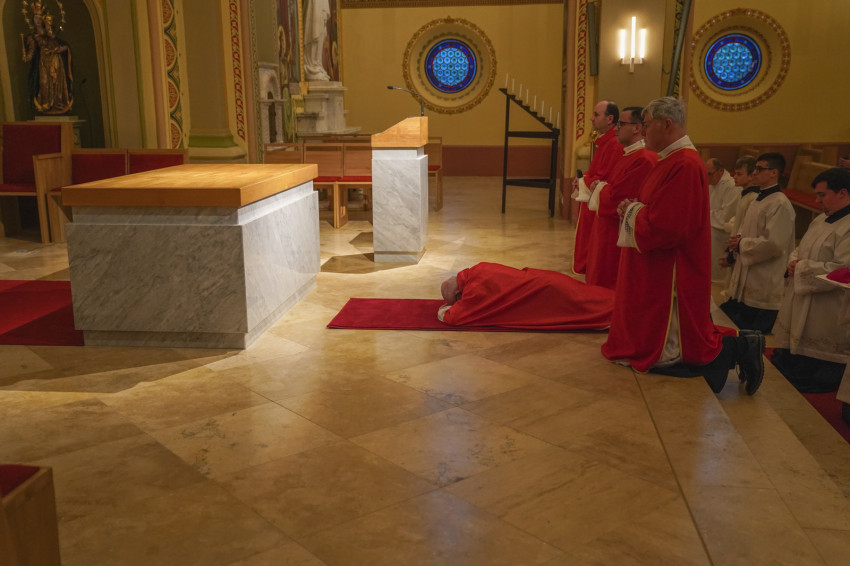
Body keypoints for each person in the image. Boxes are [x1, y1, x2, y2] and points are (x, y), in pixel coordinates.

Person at [601, 97, 764, 395]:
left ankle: (739, 347)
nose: (643, 131)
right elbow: (657, 207)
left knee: (682, 334)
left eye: (647, 125)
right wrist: (635, 207)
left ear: (667, 124)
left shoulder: (685, 164)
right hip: (661, 261)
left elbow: (669, 226)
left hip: (674, 264)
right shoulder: (669, 158)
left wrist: (632, 212)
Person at [771, 168, 850, 392]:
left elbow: (843, 268)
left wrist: (802, 267)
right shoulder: (822, 219)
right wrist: (793, 261)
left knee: (819, 351)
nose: (817, 200)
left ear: (843, 193)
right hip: (805, 292)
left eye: (822, 195)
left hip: (831, 303)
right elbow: (800, 247)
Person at [720, 152, 796, 333]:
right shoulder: (758, 199)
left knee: (751, 332)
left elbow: (774, 243)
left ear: (774, 172)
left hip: (764, 280)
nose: (755, 172)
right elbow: (746, 228)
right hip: (747, 274)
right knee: (729, 322)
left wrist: (741, 244)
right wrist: (736, 241)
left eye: (760, 169)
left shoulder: (780, 204)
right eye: (755, 168)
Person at [585, 106, 656, 289]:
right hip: (607, 228)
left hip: (616, 231)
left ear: (637, 128)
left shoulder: (644, 159)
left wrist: (599, 187)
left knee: (610, 284)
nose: (616, 128)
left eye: (621, 124)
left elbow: (618, 197)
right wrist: (602, 187)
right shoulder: (628, 154)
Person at [438, 262, 613, 330]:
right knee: (585, 294)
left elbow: (453, 318)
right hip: (543, 280)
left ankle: (615, 311)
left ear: (458, 293)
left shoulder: (473, 291)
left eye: (455, 300)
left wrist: (448, 308)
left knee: (584, 306)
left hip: (544, 292)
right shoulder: (476, 269)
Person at [572, 100, 624, 274]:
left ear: (610, 119)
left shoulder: (615, 144)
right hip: (593, 200)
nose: (591, 118)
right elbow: (596, 171)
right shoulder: (605, 141)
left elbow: (604, 179)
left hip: (601, 203)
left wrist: (583, 180)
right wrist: (583, 178)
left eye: (596, 114)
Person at [21, 10, 73, 115]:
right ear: (32, 19)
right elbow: (32, 52)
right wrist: (27, 57)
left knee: (56, 82)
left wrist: (61, 48)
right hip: (43, 63)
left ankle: (57, 103)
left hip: (54, 61)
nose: (38, 20)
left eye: (40, 18)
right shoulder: (33, 37)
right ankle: (46, 103)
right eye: (35, 17)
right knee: (44, 83)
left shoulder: (50, 33)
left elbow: (59, 44)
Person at [706, 158, 739, 283]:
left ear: (720, 171)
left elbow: (727, 216)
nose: (707, 178)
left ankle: (717, 279)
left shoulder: (731, 186)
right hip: (710, 223)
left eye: (710, 174)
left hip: (722, 231)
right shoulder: (712, 183)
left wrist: (704, 214)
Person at [303, 0, 331, 81]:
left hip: (321, 5)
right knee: (314, 32)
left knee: (321, 32)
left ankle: (317, 64)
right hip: (314, 5)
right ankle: (312, 66)